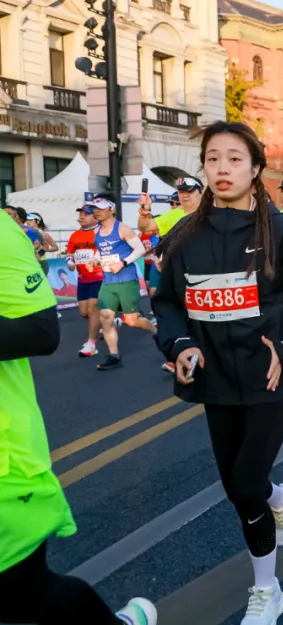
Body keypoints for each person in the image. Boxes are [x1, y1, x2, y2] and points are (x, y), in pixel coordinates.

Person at [153, 121, 283, 625]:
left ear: (255, 169)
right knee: (238, 487)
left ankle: (267, 590)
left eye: (235, 159)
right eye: (213, 159)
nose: (222, 168)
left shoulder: (281, 231)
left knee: (247, 481)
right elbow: (167, 302)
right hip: (215, 378)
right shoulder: (185, 236)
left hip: (271, 375)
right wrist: (180, 343)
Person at [0, 213, 159, 625]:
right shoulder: (79, 235)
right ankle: (99, 342)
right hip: (97, 283)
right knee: (98, 314)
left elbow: (41, 331)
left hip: (5, 459)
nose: (87, 215)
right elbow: (67, 253)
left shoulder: (3, 232)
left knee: (21, 595)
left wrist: (131, 258)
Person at [92, 195, 155, 371]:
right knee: (106, 316)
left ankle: (154, 329)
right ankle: (114, 355)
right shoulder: (96, 231)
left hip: (127, 280)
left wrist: (123, 263)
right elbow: (101, 250)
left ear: (111, 209)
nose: (97, 212)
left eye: (101, 208)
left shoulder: (123, 229)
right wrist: (94, 259)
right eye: (95, 209)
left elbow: (140, 249)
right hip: (108, 281)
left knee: (132, 321)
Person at [67, 205, 105, 357]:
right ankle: (107, 322)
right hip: (83, 278)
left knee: (93, 307)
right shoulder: (75, 235)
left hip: (100, 276)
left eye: (86, 214)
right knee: (84, 312)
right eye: (80, 214)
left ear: (95, 217)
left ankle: (91, 344)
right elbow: (70, 253)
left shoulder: (102, 232)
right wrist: (70, 262)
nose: (82, 217)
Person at [138, 177, 204, 238]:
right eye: (181, 192)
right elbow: (145, 227)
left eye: (190, 191)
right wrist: (144, 214)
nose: (184, 195)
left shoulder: (208, 213)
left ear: (202, 192)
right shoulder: (173, 214)